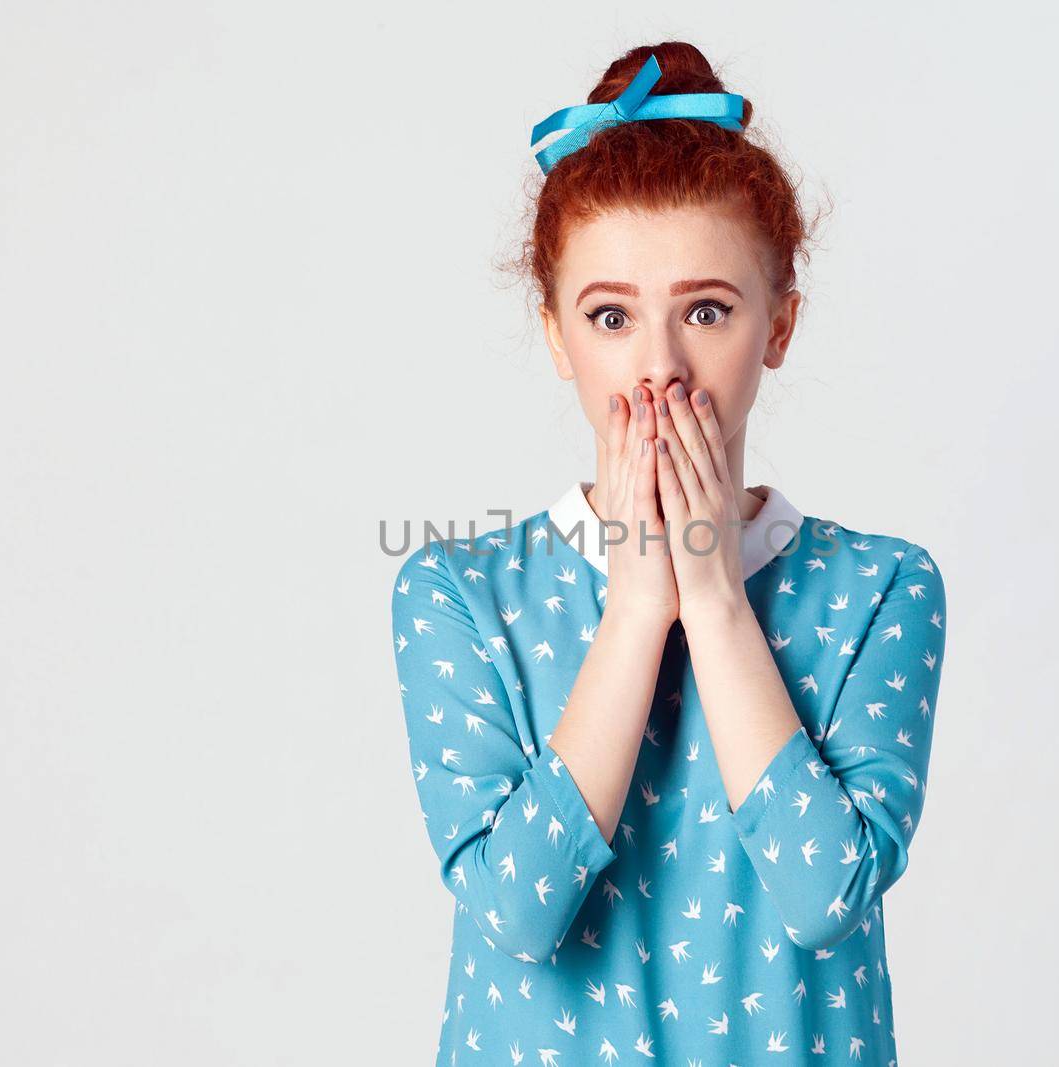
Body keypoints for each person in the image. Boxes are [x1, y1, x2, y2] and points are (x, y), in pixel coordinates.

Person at [388, 41, 948, 1066]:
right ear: (557, 336)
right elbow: (517, 907)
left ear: (777, 325)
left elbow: (824, 890)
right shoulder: (459, 594)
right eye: (610, 316)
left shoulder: (879, 588)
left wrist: (713, 598)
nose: (658, 367)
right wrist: (638, 607)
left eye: (705, 311)